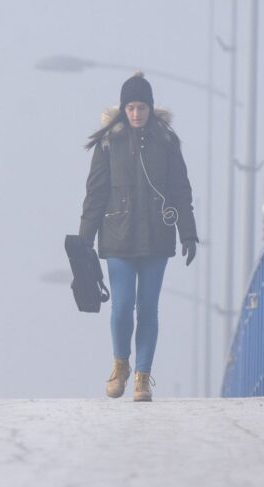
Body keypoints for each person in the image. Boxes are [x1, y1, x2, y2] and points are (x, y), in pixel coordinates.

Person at [77, 72, 199, 402]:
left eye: (141, 107)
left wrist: (188, 233)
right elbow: (95, 193)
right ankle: (121, 366)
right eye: (130, 107)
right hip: (117, 237)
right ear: (122, 108)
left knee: (147, 308)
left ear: (150, 108)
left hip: (157, 239)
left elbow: (180, 190)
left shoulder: (167, 142)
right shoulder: (108, 142)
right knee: (121, 307)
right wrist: (83, 241)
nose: (135, 114)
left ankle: (142, 377)